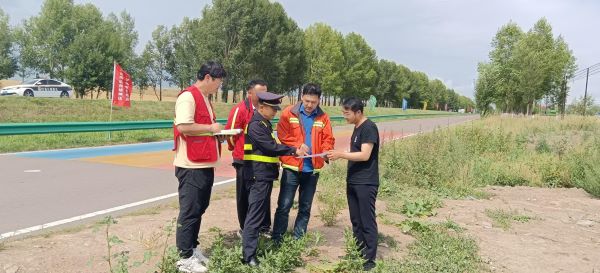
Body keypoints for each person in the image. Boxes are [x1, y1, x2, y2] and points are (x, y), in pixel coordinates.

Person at [172, 61, 227, 273]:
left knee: (199, 208)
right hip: (191, 166)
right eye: (218, 82)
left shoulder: (204, 98)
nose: (218, 87)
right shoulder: (188, 97)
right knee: (190, 211)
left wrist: (216, 133)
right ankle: (184, 258)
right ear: (207, 78)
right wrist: (211, 127)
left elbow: (204, 130)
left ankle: (192, 248)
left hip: (204, 163)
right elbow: (184, 126)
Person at [241, 91, 307, 266]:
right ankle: (248, 257)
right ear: (261, 107)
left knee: (258, 214)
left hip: (264, 175)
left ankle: (251, 251)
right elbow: (270, 147)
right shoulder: (256, 125)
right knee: (254, 216)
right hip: (258, 176)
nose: (275, 112)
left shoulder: (264, 123)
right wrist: (293, 150)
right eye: (272, 108)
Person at [272, 83, 335, 243]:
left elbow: (328, 138)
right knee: (284, 205)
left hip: (312, 170)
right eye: (307, 101)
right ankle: (277, 239)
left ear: (319, 100)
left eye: (313, 102)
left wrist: (327, 150)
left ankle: (298, 239)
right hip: (292, 167)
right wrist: (297, 145)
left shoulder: (323, 117)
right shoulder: (288, 113)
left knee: (305, 206)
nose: (309, 105)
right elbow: (282, 134)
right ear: (302, 97)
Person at [327, 98, 379, 271]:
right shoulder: (357, 128)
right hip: (353, 181)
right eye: (343, 113)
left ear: (358, 112)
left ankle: (369, 259)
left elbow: (364, 155)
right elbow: (355, 152)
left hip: (366, 182)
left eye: (347, 113)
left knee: (367, 220)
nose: (344, 117)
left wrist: (341, 154)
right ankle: (359, 251)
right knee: (356, 219)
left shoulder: (369, 127)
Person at [225, 80, 272, 237]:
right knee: (244, 196)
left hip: (261, 161)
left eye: (265, 92)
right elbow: (230, 135)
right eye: (260, 93)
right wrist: (238, 151)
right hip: (244, 161)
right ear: (249, 93)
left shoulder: (265, 109)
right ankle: (245, 228)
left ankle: (264, 227)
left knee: (263, 195)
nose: (263, 96)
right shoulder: (239, 110)